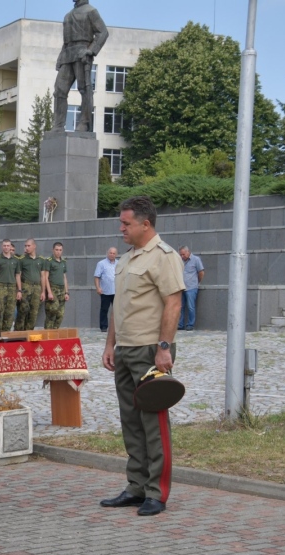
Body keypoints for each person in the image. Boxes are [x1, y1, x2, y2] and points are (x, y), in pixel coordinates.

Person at [101, 196, 184, 517]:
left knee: (153, 424)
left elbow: (173, 303)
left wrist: (164, 347)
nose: (120, 228)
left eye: (126, 223)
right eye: (121, 222)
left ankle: (156, 492)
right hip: (125, 350)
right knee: (131, 422)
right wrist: (110, 345)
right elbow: (117, 307)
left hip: (151, 351)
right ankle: (136, 486)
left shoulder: (164, 257)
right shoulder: (125, 260)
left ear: (145, 224)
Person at [53, 0, 109, 132]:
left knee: (84, 89)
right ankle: (58, 125)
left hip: (82, 53)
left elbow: (103, 32)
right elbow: (66, 41)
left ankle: (84, 123)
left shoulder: (91, 11)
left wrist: (91, 50)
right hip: (67, 55)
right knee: (59, 90)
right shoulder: (68, 15)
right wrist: (60, 58)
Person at [0, 239, 20, 335]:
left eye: (8, 246)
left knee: (10, 312)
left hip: (12, 287)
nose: (6, 247)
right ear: (1, 246)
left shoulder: (15, 260)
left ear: (11, 247)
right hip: (1, 287)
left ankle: (6, 334)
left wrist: (19, 290)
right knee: (0, 311)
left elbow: (18, 275)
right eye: (4, 246)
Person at [15, 239, 46, 331]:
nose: (26, 248)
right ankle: (19, 332)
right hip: (26, 286)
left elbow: (43, 276)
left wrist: (43, 291)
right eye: (25, 246)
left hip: (37, 287)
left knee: (34, 312)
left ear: (34, 246)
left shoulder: (41, 260)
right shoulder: (22, 260)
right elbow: (18, 275)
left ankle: (29, 332)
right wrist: (19, 290)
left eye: (28, 246)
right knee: (23, 310)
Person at [44, 242, 70, 329]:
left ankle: (55, 331)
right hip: (53, 288)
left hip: (61, 289)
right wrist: (49, 292)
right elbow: (45, 277)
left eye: (60, 250)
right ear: (53, 250)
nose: (58, 252)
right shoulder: (49, 261)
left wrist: (66, 292)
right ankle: (48, 332)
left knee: (60, 314)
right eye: (56, 250)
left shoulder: (63, 262)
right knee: (52, 311)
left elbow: (64, 277)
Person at [178, 246, 205, 331]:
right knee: (180, 307)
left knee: (190, 306)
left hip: (191, 287)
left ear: (188, 252)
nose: (182, 256)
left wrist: (196, 282)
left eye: (183, 254)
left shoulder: (196, 259)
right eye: (181, 255)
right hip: (182, 287)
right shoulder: (180, 261)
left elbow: (201, 272)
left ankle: (190, 324)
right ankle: (180, 324)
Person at [94, 247, 118, 332]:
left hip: (116, 291)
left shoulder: (118, 263)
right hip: (105, 291)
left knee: (117, 310)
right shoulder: (101, 263)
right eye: (110, 253)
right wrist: (98, 287)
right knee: (104, 309)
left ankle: (117, 326)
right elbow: (97, 276)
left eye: (114, 253)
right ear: (107, 253)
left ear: (116, 254)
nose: (112, 255)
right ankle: (103, 326)